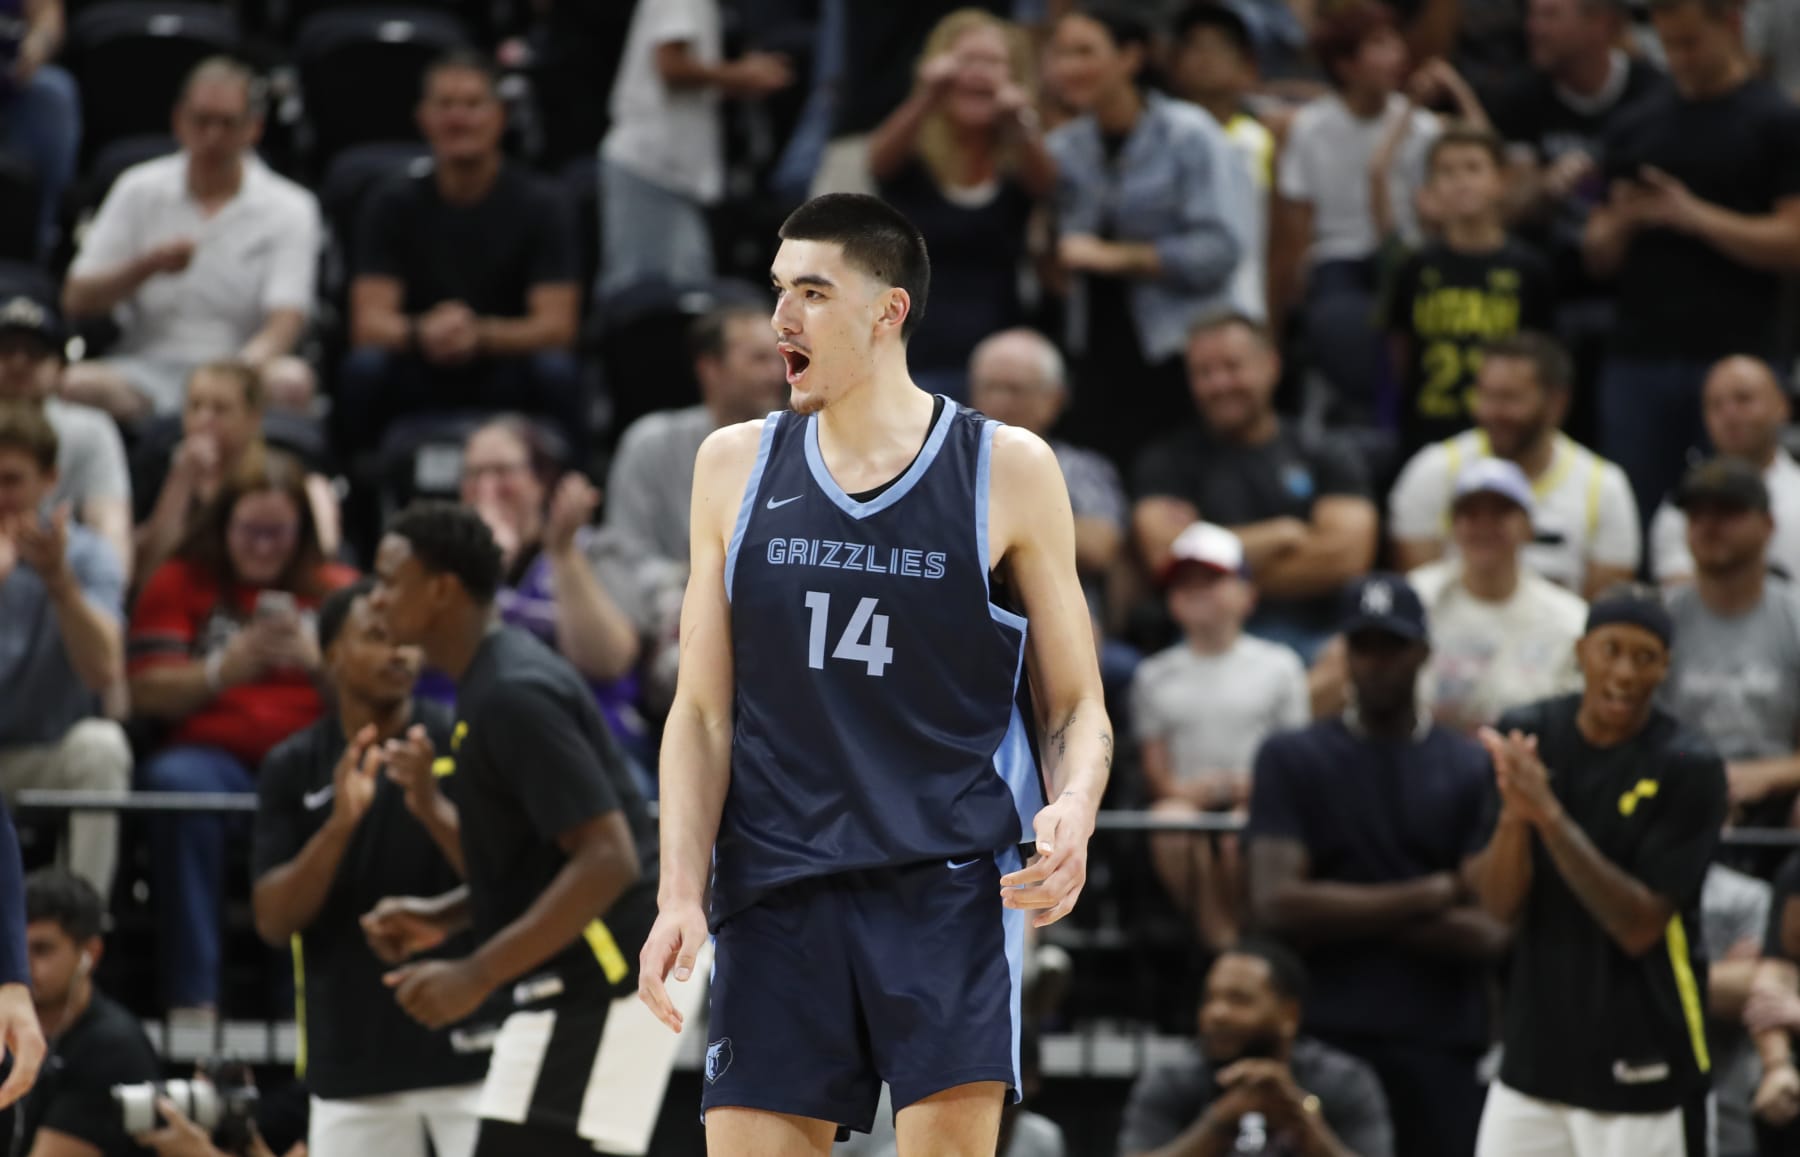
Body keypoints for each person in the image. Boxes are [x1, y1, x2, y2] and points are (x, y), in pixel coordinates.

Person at [637, 193, 1111, 1156]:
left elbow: (1075, 705)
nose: (782, 320)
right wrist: (679, 891)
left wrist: (1075, 807)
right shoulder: (732, 464)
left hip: (942, 889)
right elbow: (700, 713)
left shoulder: (1005, 467)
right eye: (779, 291)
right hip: (776, 889)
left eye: (813, 292)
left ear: (888, 311)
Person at [362, 501, 659, 1157]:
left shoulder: (513, 692)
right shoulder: (484, 684)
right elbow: (540, 863)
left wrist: (475, 972)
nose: (375, 599)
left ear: (441, 589)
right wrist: (445, 915)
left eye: (388, 580)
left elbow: (609, 860)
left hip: (610, 974)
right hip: (578, 975)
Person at [1248, 572, 1504, 1157]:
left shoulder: (1469, 765)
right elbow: (1274, 905)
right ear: (1343, 653)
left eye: (1392, 646)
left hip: (1441, 1036)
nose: (1376, 662)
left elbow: (1490, 930)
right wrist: (1436, 892)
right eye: (1362, 646)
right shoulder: (1292, 757)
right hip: (1325, 1031)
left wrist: (1335, 906)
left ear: (1421, 653)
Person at [1470, 585, 1727, 1156]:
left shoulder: (1689, 766)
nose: (1625, 672)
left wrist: (1549, 815)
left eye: (1645, 657)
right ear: (1582, 651)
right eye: (1611, 650)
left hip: (1646, 1055)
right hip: (1534, 1060)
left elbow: (1638, 926)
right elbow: (1495, 907)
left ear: (1665, 669)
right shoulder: (1531, 733)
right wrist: (1515, 819)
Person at [252, 580, 489, 1157]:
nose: (400, 653)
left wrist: (432, 808)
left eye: (406, 640)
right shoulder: (292, 765)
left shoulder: (461, 738)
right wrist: (339, 826)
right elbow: (274, 921)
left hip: (471, 1055)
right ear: (332, 653)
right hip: (350, 1064)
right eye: (378, 638)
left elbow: (505, 884)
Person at [127, 451, 356, 1016]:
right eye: (249, 531)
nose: (261, 547)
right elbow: (144, 691)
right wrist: (220, 671)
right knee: (178, 787)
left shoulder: (337, 591)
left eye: (277, 533)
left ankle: (307, 1006)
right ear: (222, 524)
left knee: (341, 794)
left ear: (302, 532)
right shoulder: (179, 582)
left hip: (311, 756)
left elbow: (379, 700)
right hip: (210, 756)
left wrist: (319, 663)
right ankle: (193, 999)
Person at [1584, 0, 1800, 526]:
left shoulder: (1775, 120)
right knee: (1634, 509)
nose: (1678, 58)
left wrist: (1693, 215)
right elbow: (1597, 254)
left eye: (1690, 43)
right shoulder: (1636, 123)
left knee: (1739, 507)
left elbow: (1793, 240)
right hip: (1641, 350)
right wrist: (1622, 223)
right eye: (1668, 44)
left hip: (1737, 350)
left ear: (1729, 26)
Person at [1044, 4, 1254, 469]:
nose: (1068, 67)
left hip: (1175, 352)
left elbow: (1220, 250)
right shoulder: (1063, 147)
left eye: (1084, 52)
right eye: (1059, 54)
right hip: (1091, 351)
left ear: (1130, 57)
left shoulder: (1190, 134)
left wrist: (1115, 258)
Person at [342, 51, 582, 456]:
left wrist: (481, 334)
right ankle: (352, 494)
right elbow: (369, 323)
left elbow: (558, 326)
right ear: (423, 117)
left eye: (472, 104)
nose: (458, 118)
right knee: (363, 368)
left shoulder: (544, 204)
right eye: (445, 105)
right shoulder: (389, 202)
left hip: (505, 365)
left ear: (500, 116)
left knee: (557, 371)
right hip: (420, 363)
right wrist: (423, 332)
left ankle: (574, 491)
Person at [61, 58, 320, 423]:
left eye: (227, 123)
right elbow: (76, 298)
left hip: (242, 367)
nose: (213, 136)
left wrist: (232, 379)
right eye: (201, 121)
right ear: (179, 120)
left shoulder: (291, 207)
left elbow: (285, 322)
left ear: (254, 128)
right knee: (71, 383)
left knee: (292, 381)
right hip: (145, 368)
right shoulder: (138, 188)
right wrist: (145, 266)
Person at [1133, 312, 1379, 663]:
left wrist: (1209, 568)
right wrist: (1282, 535)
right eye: (1203, 373)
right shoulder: (1167, 462)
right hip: (1204, 642)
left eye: (1233, 367)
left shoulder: (1324, 451)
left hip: (1313, 637)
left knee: (1351, 659)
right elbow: (1165, 558)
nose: (1219, 384)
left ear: (1271, 366)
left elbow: (1346, 558)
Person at [1271, 1, 1474, 412]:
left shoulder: (1420, 125)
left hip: (1410, 257)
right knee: (1342, 325)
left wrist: (1455, 89)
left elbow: (1488, 154)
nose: (1396, 55)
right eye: (1378, 45)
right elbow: (1294, 231)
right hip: (1339, 261)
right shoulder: (1309, 129)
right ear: (1345, 64)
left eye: (1396, 43)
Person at [603, 303, 787, 713]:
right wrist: (692, 590)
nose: (776, 373)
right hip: (670, 624)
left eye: (780, 358)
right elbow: (625, 554)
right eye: (759, 359)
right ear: (710, 369)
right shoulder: (650, 443)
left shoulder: (805, 443)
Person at [1135, 522, 1308, 952]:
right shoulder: (1152, 675)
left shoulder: (1280, 666)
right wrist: (1192, 791)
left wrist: (1249, 789)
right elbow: (1157, 770)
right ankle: (1221, 944)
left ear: (1246, 594)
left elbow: (1296, 761)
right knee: (1172, 821)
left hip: (1259, 800)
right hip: (1189, 803)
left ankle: (1243, 943)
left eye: (1211, 579)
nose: (1195, 590)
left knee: (1236, 835)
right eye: (1183, 582)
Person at [867, 10, 1052, 402]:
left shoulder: (1020, 155)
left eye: (993, 63)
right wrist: (927, 94)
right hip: (914, 352)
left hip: (996, 360)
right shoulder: (912, 153)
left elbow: (1048, 184)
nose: (978, 74)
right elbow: (877, 162)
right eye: (967, 60)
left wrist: (1019, 121)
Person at [442, 417, 649, 761]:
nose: (487, 488)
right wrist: (484, 565)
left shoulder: (595, 549)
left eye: (502, 472)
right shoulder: (441, 563)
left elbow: (609, 660)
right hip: (473, 733)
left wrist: (563, 554)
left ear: (541, 481)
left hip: (585, 736)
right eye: (474, 474)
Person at [1388, 332, 1639, 599]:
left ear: (1557, 403)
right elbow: (1419, 601)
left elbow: (1603, 616)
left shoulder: (1603, 486)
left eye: (1508, 398)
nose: (1489, 412)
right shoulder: (1433, 471)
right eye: (1485, 395)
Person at [0, 402, 130, 901]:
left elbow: (103, 672)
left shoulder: (87, 554)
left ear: (49, 479)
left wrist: (59, 583)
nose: (1, 496)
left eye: (12, 480)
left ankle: (79, 923)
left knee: (103, 749)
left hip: (41, 752)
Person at [1116, 939, 1395, 1157]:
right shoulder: (1172, 1079)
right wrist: (1220, 1120)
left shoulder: (1344, 1080)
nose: (1217, 1013)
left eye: (1239, 999)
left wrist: (1301, 1120)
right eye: (1210, 998)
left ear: (1290, 1014)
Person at [1659, 459, 1800, 864]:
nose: (1709, 525)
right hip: (1675, 784)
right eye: (1697, 514)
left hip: (1775, 790)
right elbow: (1635, 737)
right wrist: (1701, 778)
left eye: (1728, 512)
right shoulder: (1660, 620)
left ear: (1768, 525)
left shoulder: (1793, 618)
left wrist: (1763, 776)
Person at [598, 0, 792, 293]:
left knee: (687, 288)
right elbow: (670, 66)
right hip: (648, 165)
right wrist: (743, 73)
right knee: (636, 290)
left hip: (674, 173)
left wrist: (740, 81)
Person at [1385, 127, 1556, 454]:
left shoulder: (1529, 267)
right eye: (1446, 171)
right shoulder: (1415, 266)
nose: (1461, 181)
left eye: (1473, 168)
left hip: (1505, 433)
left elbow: (1542, 356)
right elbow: (1399, 352)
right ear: (1431, 188)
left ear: (1501, 181)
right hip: (1428, 430)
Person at [1408, 459, 1587, 733]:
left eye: (1500, 513)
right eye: (1470, 513)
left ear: (1528, 527)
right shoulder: (1417, 597)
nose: (1484, 525)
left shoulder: (1570, 619)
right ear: (1453, 527)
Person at [967, 328, 1128, 628]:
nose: (1001, 401)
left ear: (1053, 399)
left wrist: (998, 521)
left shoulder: (1081, 468)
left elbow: (1100, 546)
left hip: (1055, 615)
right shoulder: (947, 459)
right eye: (990, 387)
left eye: (1015, 389)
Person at [133, 361, 339, 583]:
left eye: (220, 409)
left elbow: (325, 552)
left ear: (254, 417)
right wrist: (182, 480)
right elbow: (148, 569)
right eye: (195, 406)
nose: (203, 419)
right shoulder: (159, 465)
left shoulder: (287, 475)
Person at [13, 868, 162, 1157]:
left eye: (42, 949)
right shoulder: (15, 1032)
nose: (24, 964)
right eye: (16, 949)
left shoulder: (113, 1047)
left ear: (90, 955)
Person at [0, 287, 133, 574]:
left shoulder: (89, 429)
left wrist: (93, 582)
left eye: (35, 352)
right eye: (6, 349)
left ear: (61, 369)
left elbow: (114, 544)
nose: (18, 362)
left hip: (59, 575)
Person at [1168, 2, 1276, 328]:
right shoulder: (1160, 138)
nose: (1205, 57)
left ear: (1248, 67)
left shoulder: (1261, 141)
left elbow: (1278, 240)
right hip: (1175, 308)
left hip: (1247, 304)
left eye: (1220, 47)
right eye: (1194, 46)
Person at [1651, 356, 1800, 588]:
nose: (1729, 414)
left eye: (1744, 399)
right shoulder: (1681, 505)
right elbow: (1679, 597)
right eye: (1716, 405)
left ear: (1781, 404)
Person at [0, 0, 79, 257]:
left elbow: (47, 14)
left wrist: (35, 48)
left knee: (53, 93)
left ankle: (43, 238)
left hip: (12, 79)